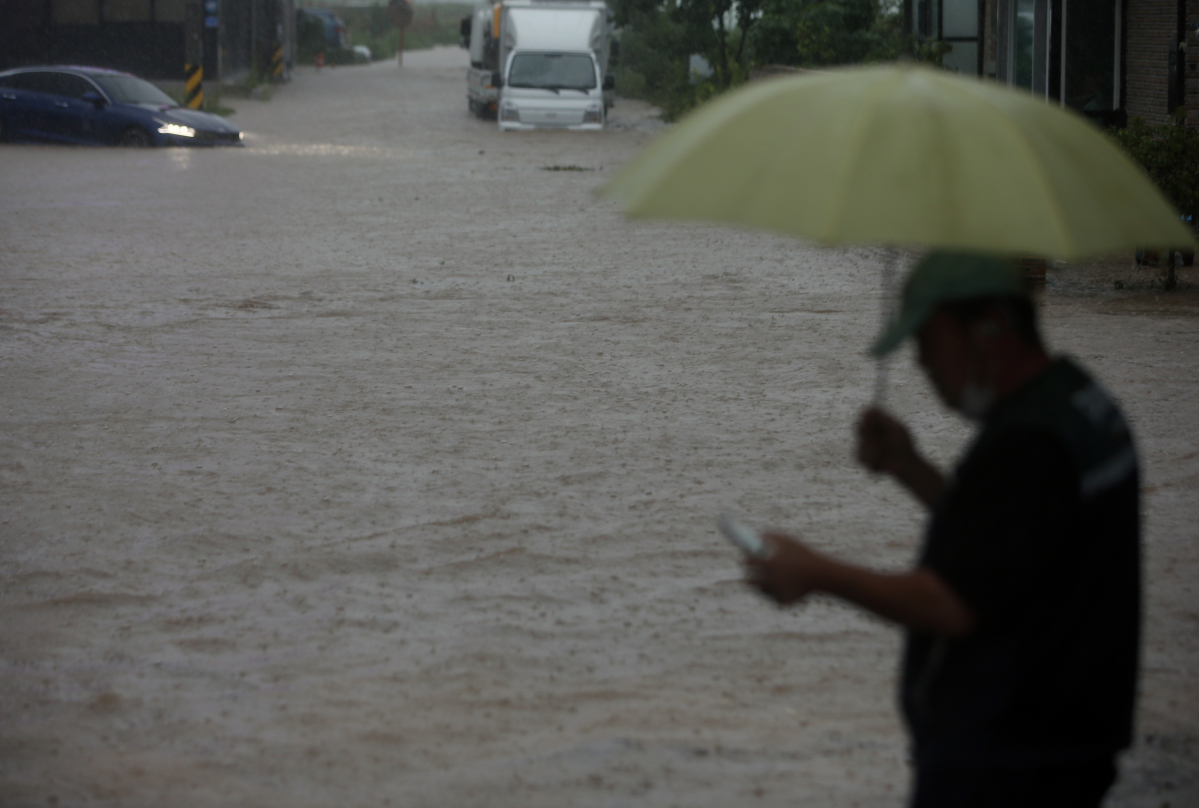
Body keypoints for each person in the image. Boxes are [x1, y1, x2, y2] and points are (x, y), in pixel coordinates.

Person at [745, 251, 1140, 807]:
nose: (922, 364)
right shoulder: (1077, 400)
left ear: (989, 329)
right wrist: (909, 467)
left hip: (1010, 759)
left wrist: (816, 573)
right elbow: (1014, 544)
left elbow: (952, 602)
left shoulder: (1030, 444)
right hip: (1061, 741)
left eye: (928, 342)